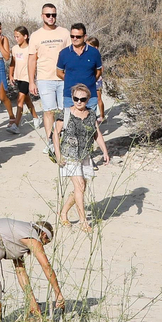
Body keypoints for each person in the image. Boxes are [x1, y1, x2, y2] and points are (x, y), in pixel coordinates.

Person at [54, 84, 110, 232]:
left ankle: (63, 213)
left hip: (85, 154)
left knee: (82, 187)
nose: (79, 102)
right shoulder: (65, 113)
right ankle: (83, 221)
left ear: (87, 100)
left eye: (82, 99)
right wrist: (58, 155)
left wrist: (104, 151)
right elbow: (55, 133)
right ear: (72, 97)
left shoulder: (91, 114)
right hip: (69, 155)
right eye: (75, 98)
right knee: (79, 186)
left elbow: (97, 134)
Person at [27, 3, 72, 148]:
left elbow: (71, 53)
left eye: (54, 15)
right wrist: (31, 82)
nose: (51, 18)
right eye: (48, 15)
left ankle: (63, 137)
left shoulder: (64, 32)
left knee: (65, 110)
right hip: (45, 78)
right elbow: (32, 59)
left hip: (63, 77)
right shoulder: (36, 35)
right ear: (42, 16)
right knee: (48, 110)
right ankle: (50, 141)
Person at [56, 23, 102, 118]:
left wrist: (91, 80)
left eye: (78, 36)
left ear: (85, 37)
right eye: (72, 36)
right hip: (70, 96)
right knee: (69, 125)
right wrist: (70, 79)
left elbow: (99, 70)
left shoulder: (94, 52)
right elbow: (59, 72)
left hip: (90, 95)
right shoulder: (64, 53)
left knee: (90, 127)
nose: (75, 39)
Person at [9, 25, 39, 132]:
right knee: (26, 100)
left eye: (18, 36)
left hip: (27, 78)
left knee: (20, 99)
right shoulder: (15, 49)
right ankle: (36, 117)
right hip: (18, 77)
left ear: (25, 36)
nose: (16, 39)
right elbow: (12, 63)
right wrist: (11, 75)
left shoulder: (30, 49)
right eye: (15, 36)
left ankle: (15, 125)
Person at [86, 37, 107, 122]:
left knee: (98, 98)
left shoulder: (95, 55)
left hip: (96, 79)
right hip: (90, 78)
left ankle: (102, 116)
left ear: (95, 47)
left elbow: (101, 68)